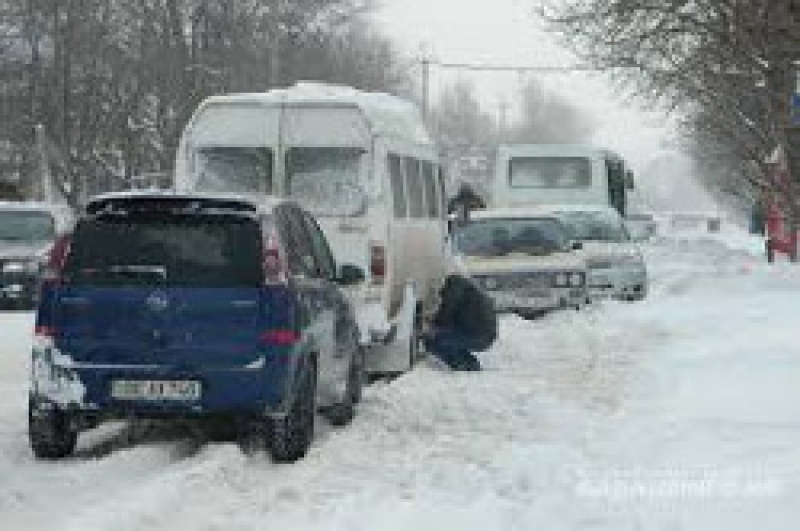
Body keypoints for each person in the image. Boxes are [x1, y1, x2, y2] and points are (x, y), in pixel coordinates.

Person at [422, 274, 498, 371]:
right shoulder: (471, 293)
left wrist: (431, 325)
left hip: (477, 336)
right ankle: (471, 364)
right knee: (449, 339)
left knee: (434, 341)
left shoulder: (455, 289)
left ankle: (460, 365)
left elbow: (446, 313)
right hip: (486, 336)